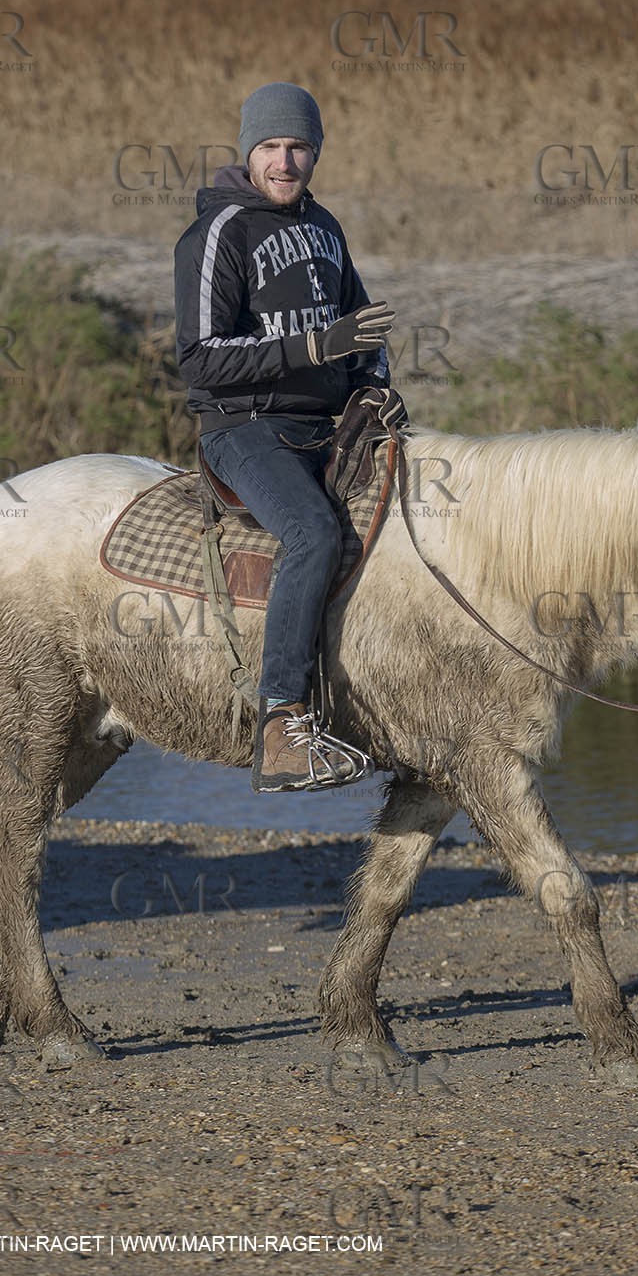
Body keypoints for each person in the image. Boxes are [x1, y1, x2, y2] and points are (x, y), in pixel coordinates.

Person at [174, 82, 407, 793]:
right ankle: (281, 724)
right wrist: (313, 347)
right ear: (248, 152)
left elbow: (361, 327)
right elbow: (200, 358)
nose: (285, 160)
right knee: (310, 531)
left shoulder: (325, 226)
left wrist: (374, 385)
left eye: (299, 146)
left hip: (325, 428)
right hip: (243, 427)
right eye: (271, 146)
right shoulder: (219, 233)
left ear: (315, 153)